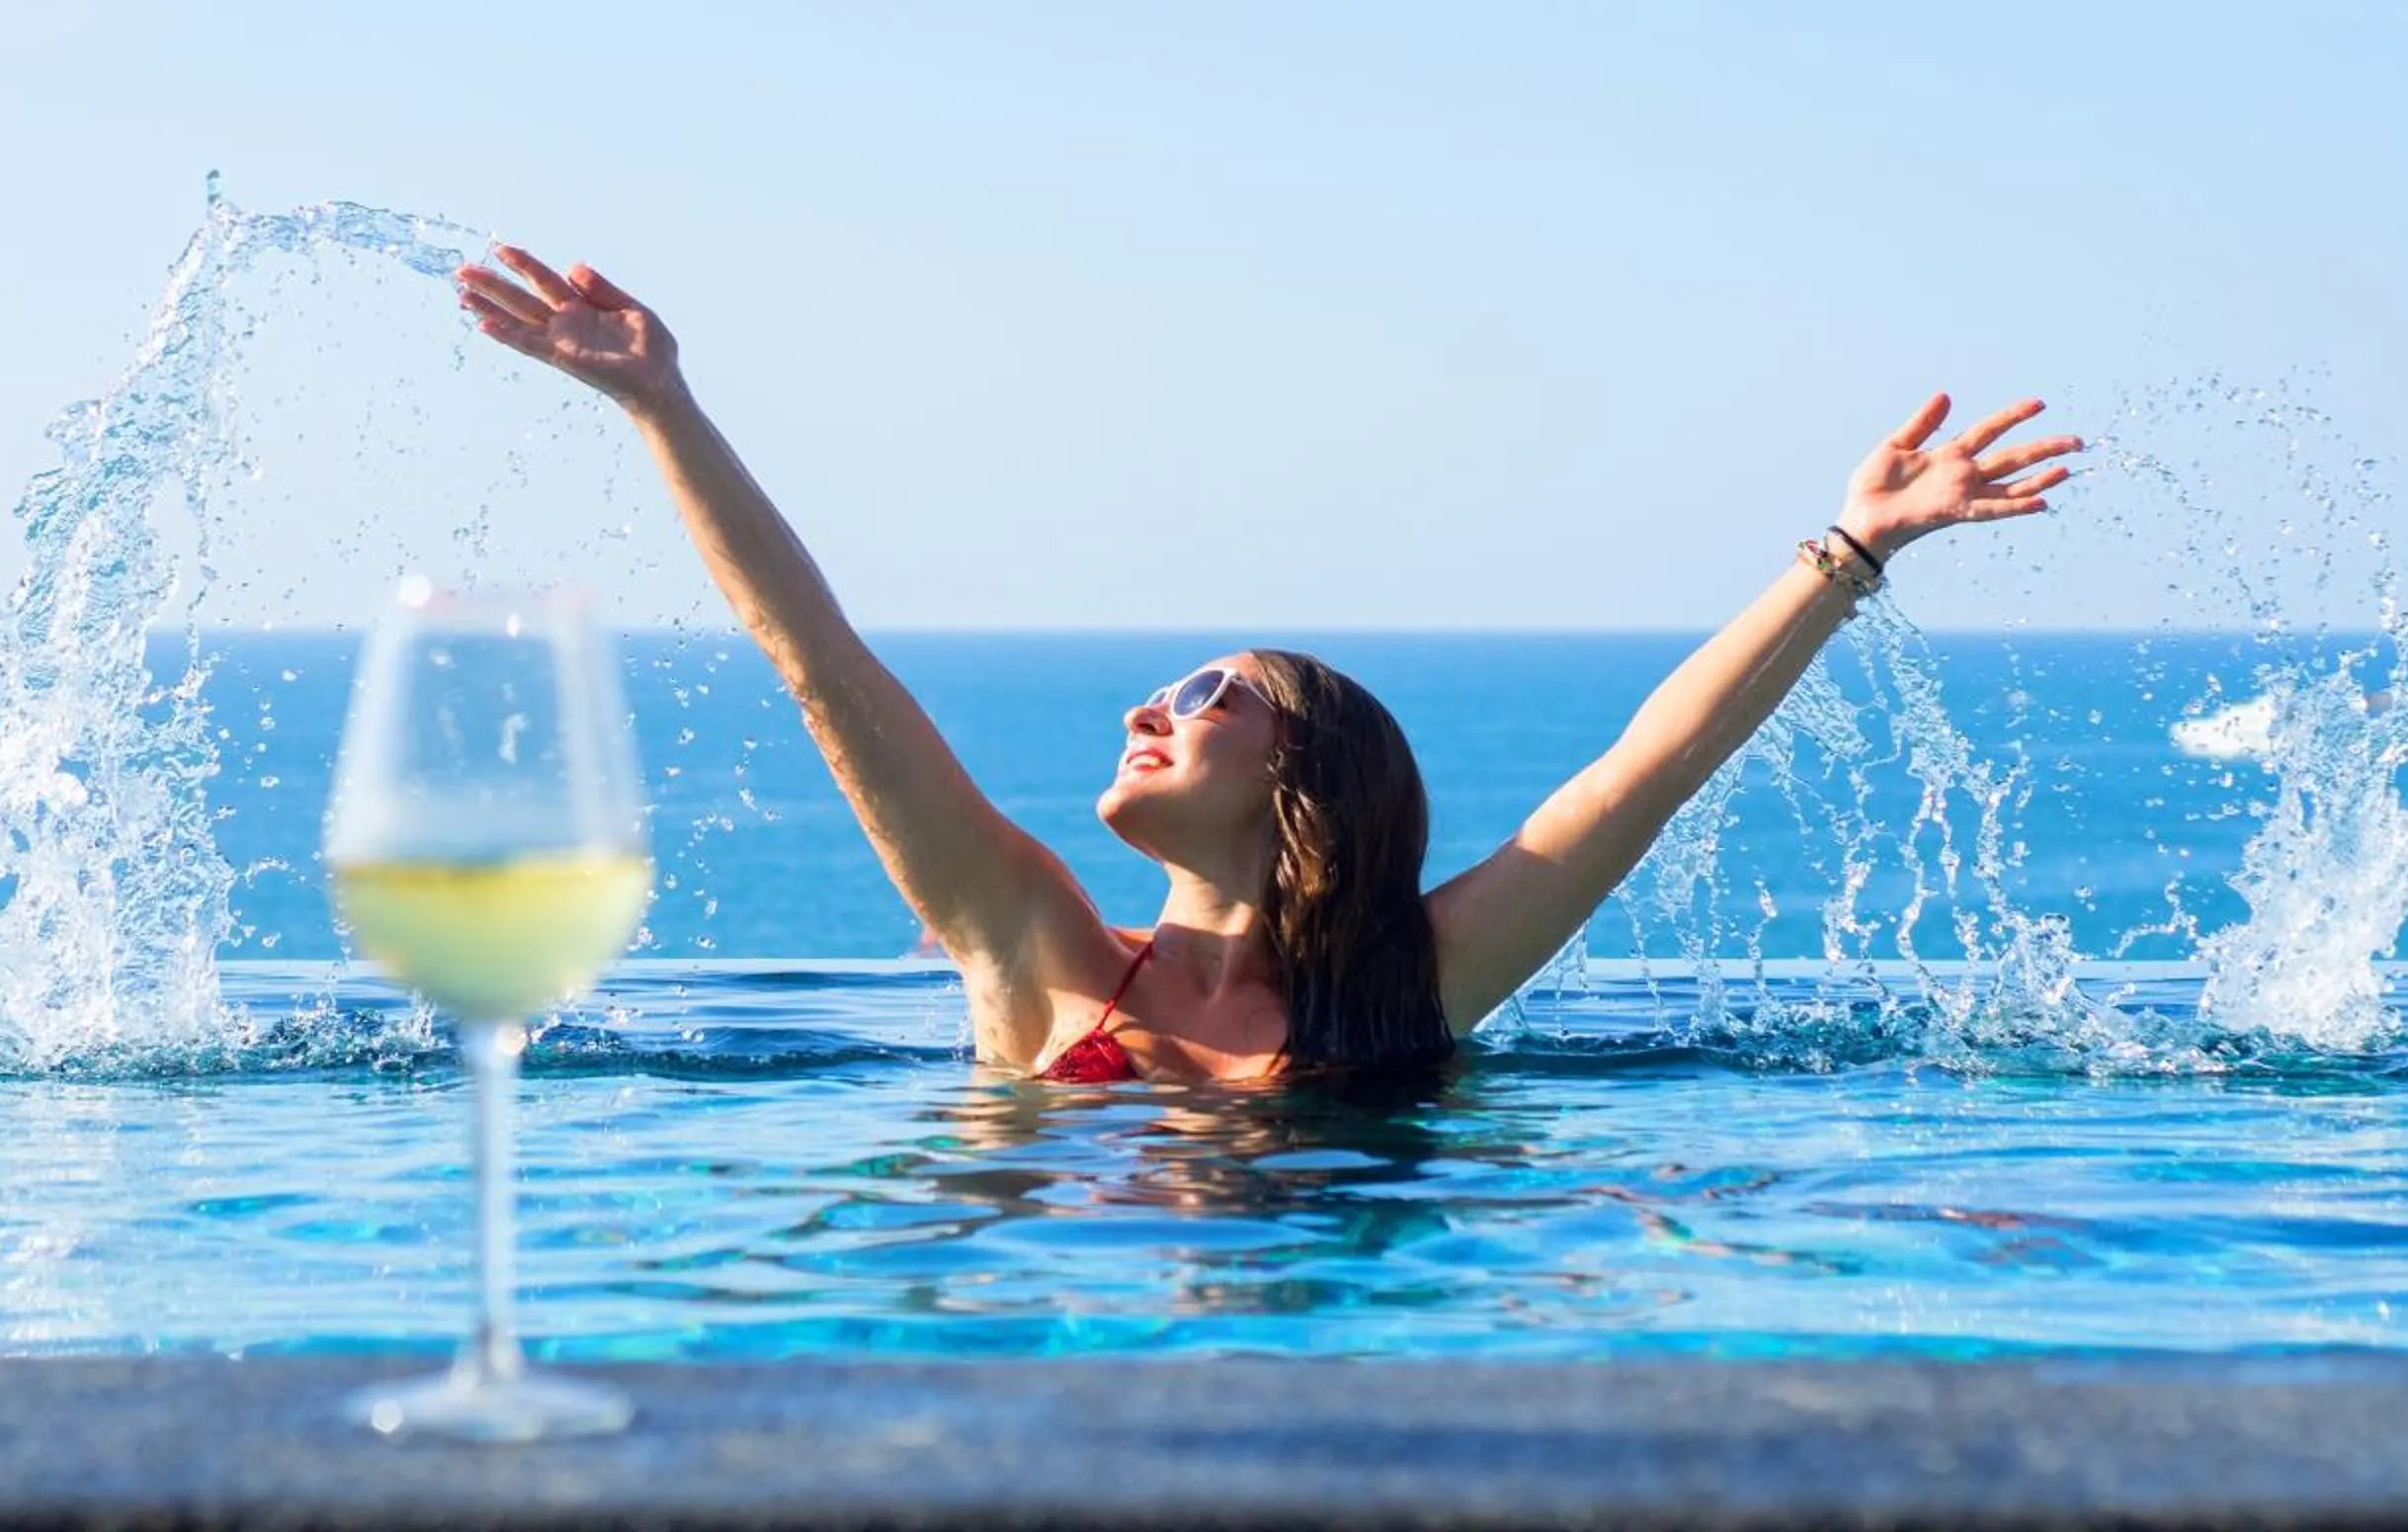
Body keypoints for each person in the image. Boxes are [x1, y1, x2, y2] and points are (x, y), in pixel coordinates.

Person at [456, 245, 2079, 1085]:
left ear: (1299, 770)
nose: (1148, 710)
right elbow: (816, 662)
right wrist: (663, 408)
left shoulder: (1413, 983)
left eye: (1208, 693)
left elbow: (1646, 772)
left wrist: (1852, 548)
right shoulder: (1033, 948)